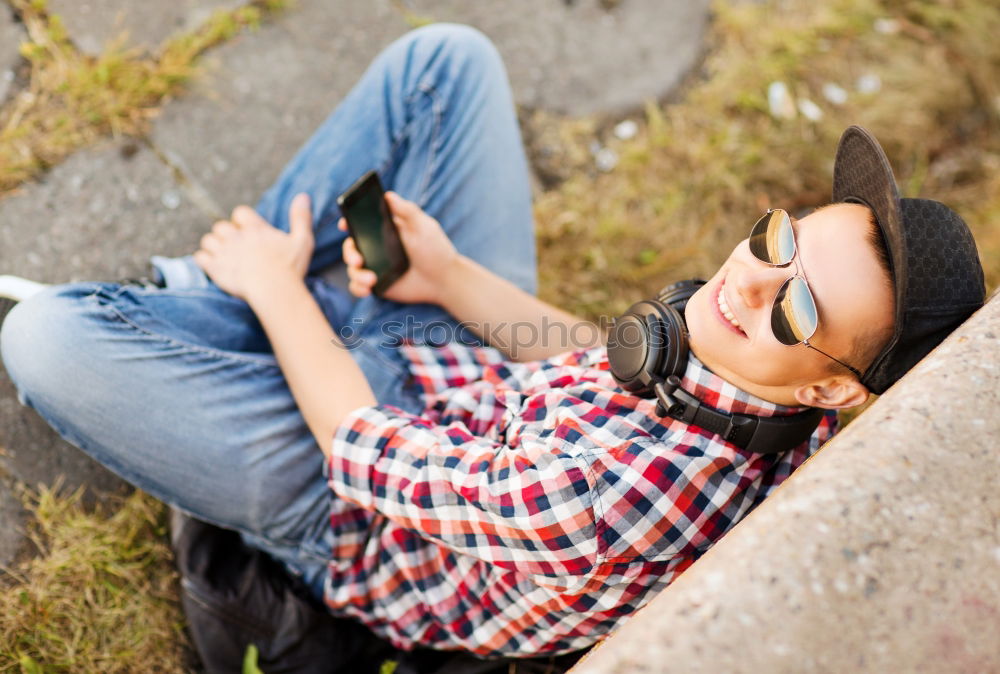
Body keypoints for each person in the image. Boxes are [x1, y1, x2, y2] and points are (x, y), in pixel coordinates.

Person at [0, 22, 986, 663]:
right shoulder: (757, 388)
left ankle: (237, 290)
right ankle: (235, 299)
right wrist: (451, 281)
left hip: (346, 493)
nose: (751, 280)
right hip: (452, 367)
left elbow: (361, 446)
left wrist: (278, 292)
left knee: (46, 337)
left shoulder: (611, 510)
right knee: (446, 63)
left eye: (798, 309)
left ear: (829, 391)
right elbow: (588, 364)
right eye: (779, 241)